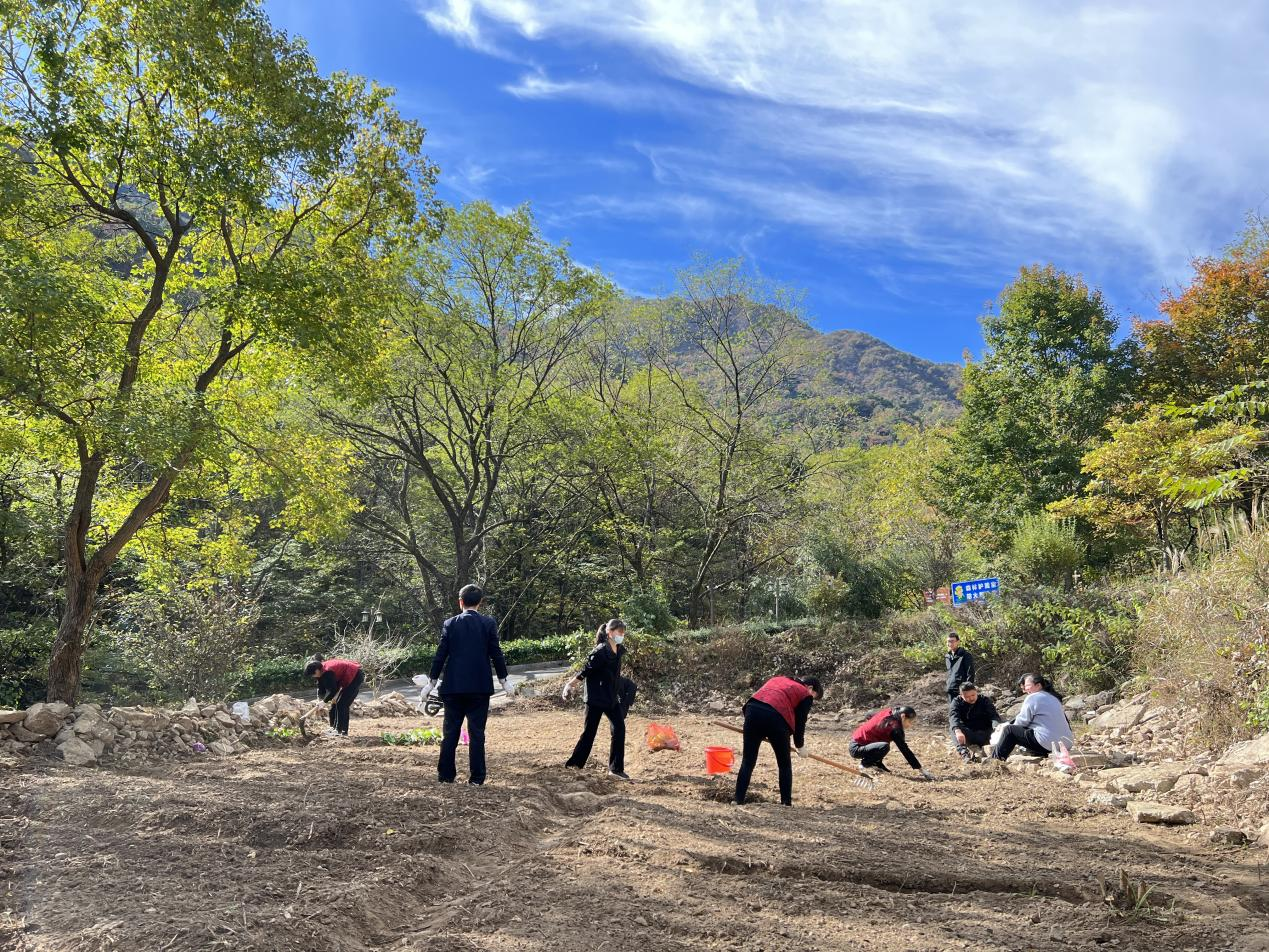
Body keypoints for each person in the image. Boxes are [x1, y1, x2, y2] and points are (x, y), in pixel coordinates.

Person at [419, 584, 510, 785]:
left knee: (450, 732)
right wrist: (504, 680)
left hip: (453, 687)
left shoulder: (450, 624)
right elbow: (496, 653)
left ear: (460, 601)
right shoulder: (488, 623)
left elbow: (441, 655)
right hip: (479, 687)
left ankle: (446, 776)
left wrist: (432, 681)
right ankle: (477, 778)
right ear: (480, 602)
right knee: (477, 734)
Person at [733, 675, 824, 807]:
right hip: (776, 717)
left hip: (752, 710)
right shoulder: (805, 693)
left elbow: (765, 697)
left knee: (748, 761)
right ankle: (786, 803)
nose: (812, 699)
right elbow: (800, 723)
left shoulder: (779, 679)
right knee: (784, 764)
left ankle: (737, 799)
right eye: (814, 696)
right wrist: (800, 746)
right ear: (810, 688)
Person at [563, 619, 632, 779]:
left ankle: (615, 769)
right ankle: (574, 764)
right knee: (589, 733)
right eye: (619, 632)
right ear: (609, 633)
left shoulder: (619, 650)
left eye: (623, 633)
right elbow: (585, 671)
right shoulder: (600, 651)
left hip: (611, 698)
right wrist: (570, 685)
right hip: (595, 698)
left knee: (619, 729)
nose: (621, 635)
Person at [992, 673, 1074, 762]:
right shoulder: (1054, 698)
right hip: (1067, 744)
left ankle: (995, 761)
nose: (1025, 690)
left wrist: (1004, 732)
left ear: (1038, 685)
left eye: (1027, 686)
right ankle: (1038, 752)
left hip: (1048, 744)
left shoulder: (1033, 697)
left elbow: (1021, 722)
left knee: (1009, 730)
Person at [849, 705, 935, 779]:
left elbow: (869, 714)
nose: (910, 725)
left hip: (860, 743)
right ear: (903, 716)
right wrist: (921, 770)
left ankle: (877, 763)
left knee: (884, 739)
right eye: (909, 722)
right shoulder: (895, 728)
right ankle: (865, 764)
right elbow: (905, 750)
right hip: (857, 748)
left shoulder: (889, 712)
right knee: (884, 746)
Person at [305, 655, 364, 736]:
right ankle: (336, 729)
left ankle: (339, 731)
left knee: (342, 704)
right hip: (346, 677)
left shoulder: (328, 671)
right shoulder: (321, 673)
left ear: (317, 670)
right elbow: (321, 688)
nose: (313, 676)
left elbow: (332, 690)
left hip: (355, 675)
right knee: (336, 704)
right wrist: (320, 700)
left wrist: (324, 701)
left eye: (313, 674)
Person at [948, 681, 999, 762]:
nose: (971, 698)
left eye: (973, 695)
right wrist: (958, 731)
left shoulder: (984, 700)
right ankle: (964, 753)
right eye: (967, 696)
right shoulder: (956, 702)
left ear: (976, 692)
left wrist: (996, 728)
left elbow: (994, 716)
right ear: (961, 695)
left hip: (985, 733)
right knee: (953, 728)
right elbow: (954, 717)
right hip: (969, 733)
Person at [945, 634, 975, 706]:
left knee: (964, 712)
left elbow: (970, 673)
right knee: (953, 712)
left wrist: (968, 689)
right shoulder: (947, 656)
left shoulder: (965, 655)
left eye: (952, 641)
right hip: (950, 689)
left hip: (962, 690)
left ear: (958, 642)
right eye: (948, 641)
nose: (950, 644)